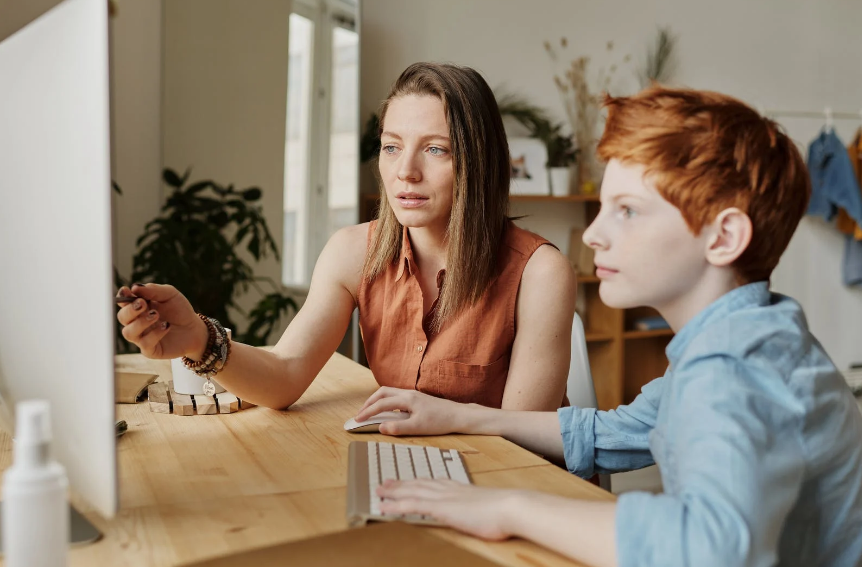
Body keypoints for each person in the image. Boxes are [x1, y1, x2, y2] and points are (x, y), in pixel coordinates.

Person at [355, 86, 862, 567]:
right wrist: (460, 415)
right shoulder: (747, 335)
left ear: (724, 236)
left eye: (627, 211)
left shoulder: (734, 368)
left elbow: (706, 548)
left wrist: (507, 509)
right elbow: (617, 432)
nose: (594, 235)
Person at [116, 62, 576, 411]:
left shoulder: (540, 272)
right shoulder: (353, 251)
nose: (405, 172)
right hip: (416, 473)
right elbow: (284, 375)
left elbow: (523, 441)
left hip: (510, 489)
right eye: (392, 146)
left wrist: (434, 420)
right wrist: (199, 338)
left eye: (435, 149)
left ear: (480, 163)